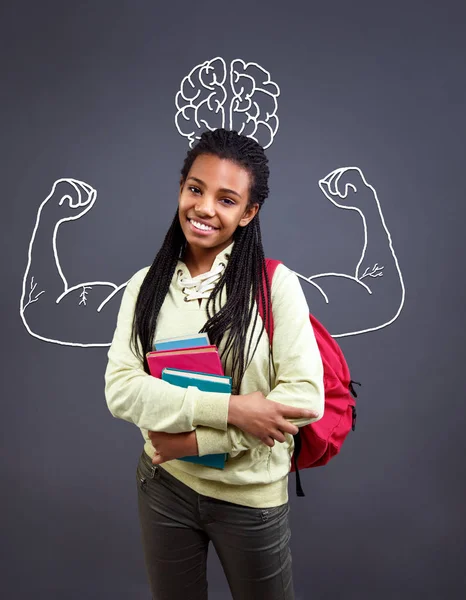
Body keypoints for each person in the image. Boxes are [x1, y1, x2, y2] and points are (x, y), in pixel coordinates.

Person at [104, 128, 325, 600]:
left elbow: (304, 400)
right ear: (181, 188)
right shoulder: (144, 286)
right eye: (195, 189)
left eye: (227, 200)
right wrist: (232, 409)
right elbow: (122, 390)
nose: (204, 208)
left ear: (248, 213)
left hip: (250, 498)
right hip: (164, 485)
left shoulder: (275, 286)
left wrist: (192, 440)